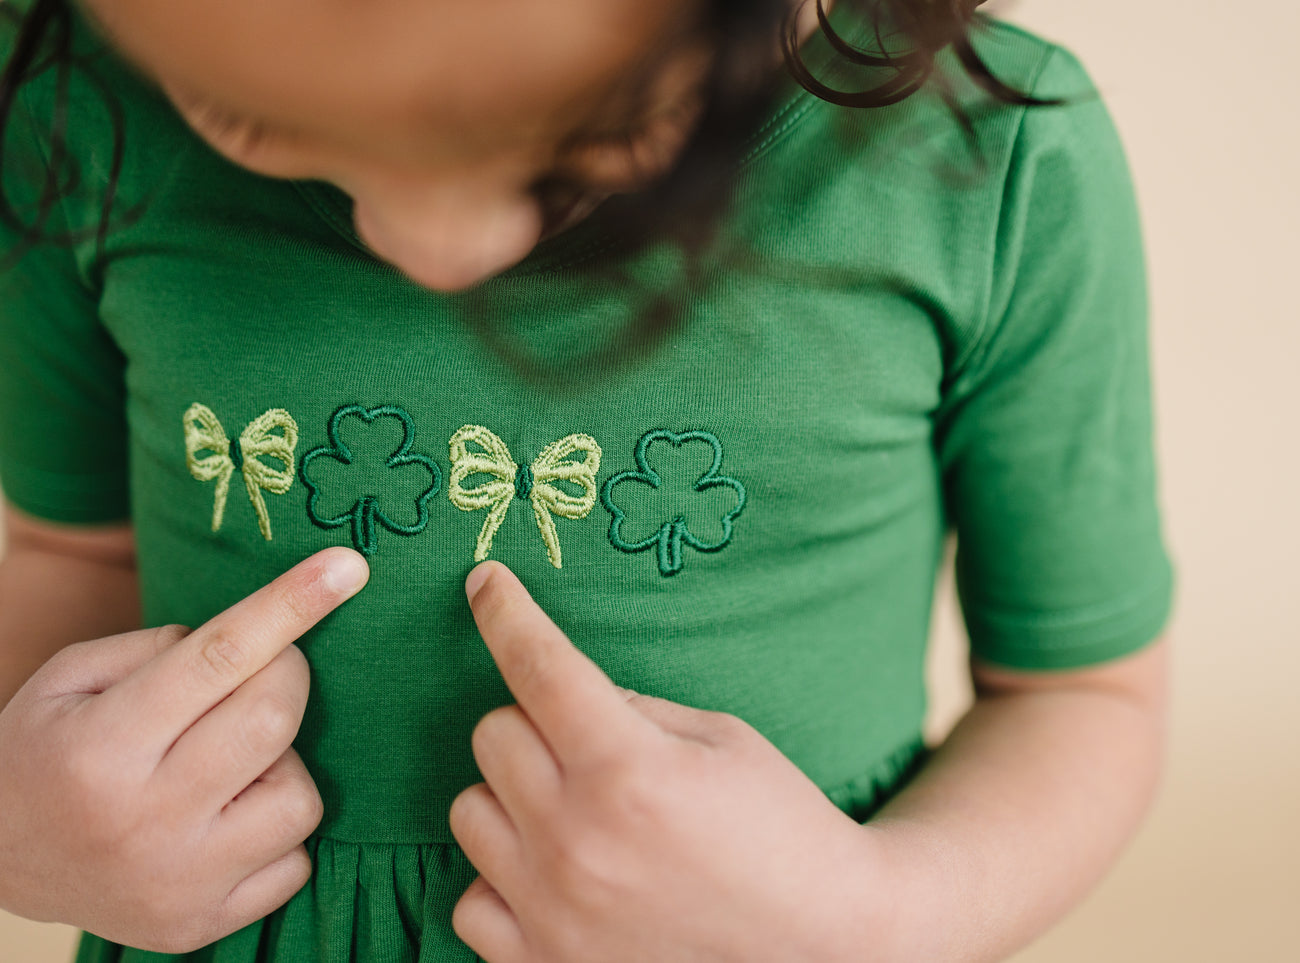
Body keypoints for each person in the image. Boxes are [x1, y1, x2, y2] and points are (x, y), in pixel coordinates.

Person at [0, 0, 1176, 959]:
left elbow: (1079, 694)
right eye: (249, 118)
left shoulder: (979, 163)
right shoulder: (72, 100)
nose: (433, 249)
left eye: (584, 145)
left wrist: (877, 913)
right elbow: (75, 555)